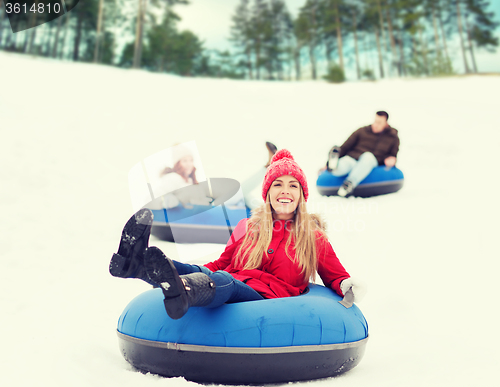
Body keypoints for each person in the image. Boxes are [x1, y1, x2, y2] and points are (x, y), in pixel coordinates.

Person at [110, 149, 366, 319]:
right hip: (232, 279)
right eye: (277, 184)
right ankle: (136, 264)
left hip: (269, 298)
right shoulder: (248, 227)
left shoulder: (312, 236)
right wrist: (190, 269)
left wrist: (347, 285)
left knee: (225, 281)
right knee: (213, 273)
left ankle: (185, 290)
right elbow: (221, 264)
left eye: (292, 185)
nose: (284, 191)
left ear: (301, 195)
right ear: (267, 193)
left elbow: (335, 274)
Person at [324, 111, 400, 197]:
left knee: (368, 157)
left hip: (371, 162)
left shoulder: (392, 137)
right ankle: (333, 165)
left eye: (379, 123)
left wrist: (391, 159)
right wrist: (328, 163)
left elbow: (393, 154)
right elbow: (345, 147)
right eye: (375, 121)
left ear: (386, 123)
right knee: (342, 166)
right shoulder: (362, 131)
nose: (375, 125)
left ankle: (349, 183)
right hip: (353, 158)